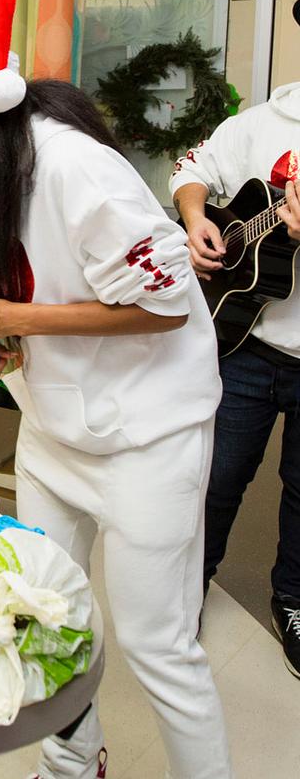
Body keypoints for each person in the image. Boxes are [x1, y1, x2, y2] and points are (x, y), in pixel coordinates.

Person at [0, 0, 232, 779]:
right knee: (43, 612)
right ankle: (73, 766)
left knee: (155, 644)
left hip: (148, 439)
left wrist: (15, 320)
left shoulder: (76, 168)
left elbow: (169, 307)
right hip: (53, 434)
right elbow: (25, 295)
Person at [169, 86, 300, 677]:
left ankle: (292, 601)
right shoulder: (263, 122)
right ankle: (189, 587)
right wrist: (197, 221)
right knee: (217, 478)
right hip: (246, 342)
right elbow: (190, 169)